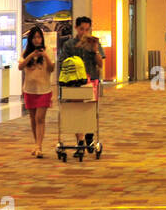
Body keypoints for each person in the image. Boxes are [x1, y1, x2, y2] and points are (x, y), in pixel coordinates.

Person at [58, 16, 104, 155]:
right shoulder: (69, 44)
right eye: (81, 29)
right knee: (76, 111)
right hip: (74, 82)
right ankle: (80, 143)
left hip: (91, 81)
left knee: (89, 111)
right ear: (76, 28)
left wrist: (94, 49)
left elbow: (100, 64)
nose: (84, 32)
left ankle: (89, 136)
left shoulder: (94, 42)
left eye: (87, 29)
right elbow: (62, 62)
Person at [18, 26, 55, 157]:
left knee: (40, 118)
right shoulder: (26, 52)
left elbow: (51, 68)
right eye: (34, 37)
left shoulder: (48, 51)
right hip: (29, 90)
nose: (37, 40)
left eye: (39, 37)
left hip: (44, 90)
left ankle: (39, 146)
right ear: (30, 39)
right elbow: (20, 66)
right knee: (33, 119)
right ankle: (36, 144)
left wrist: (44, 55)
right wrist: (31, 55)